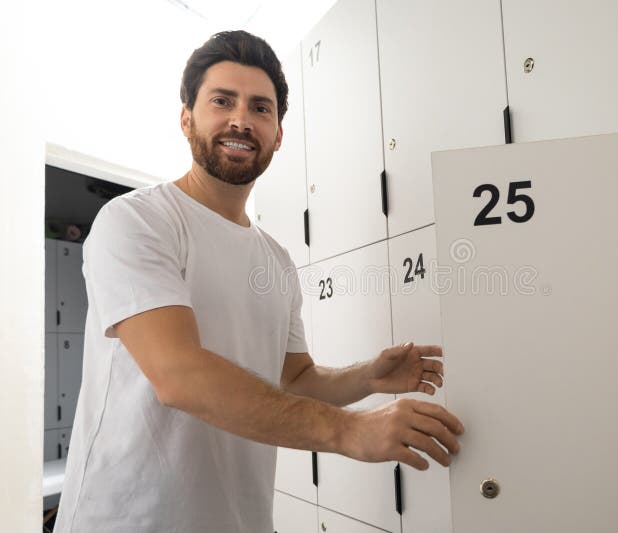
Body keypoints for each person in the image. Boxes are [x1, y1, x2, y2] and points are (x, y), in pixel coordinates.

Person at [54, 30, 463, 533]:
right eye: (222, 101)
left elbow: (293, 379)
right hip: (129, 520)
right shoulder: (138, 221)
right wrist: (349, 431)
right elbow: (177, 374)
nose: (241, 120)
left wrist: (366, 378)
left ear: (278, 134)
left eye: (260, 108)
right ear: (186, 119)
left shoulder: (276, 259)